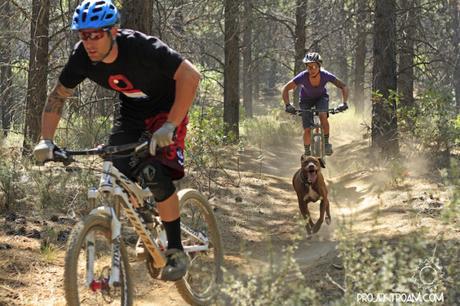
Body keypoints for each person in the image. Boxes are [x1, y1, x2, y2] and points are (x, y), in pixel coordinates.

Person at [32, 0, 201, 281]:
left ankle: (175, 249)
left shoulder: (141, 47)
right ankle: (146, 222)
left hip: (167, 110)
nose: (89, 42)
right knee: (117, 169)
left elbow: (190, 75)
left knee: (153, 171)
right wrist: (46, 140)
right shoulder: (82, 59)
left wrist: (170, 124)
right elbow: (57, 96)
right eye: (83, 35)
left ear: (114, 31)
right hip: (132, 115)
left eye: (96, 34)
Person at [282, 52, 349, 156]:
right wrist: (287, 105)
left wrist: (344, 103)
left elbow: (343, 86)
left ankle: (326, 143)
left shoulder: (325, 75)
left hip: (321, 98)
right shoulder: (302, 76)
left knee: (323, 115)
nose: (311, 69)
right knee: (307, 129)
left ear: (319, 66)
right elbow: (286, 88)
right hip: (305, 100)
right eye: (308, 67)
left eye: (313, 66)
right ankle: (307, 152)